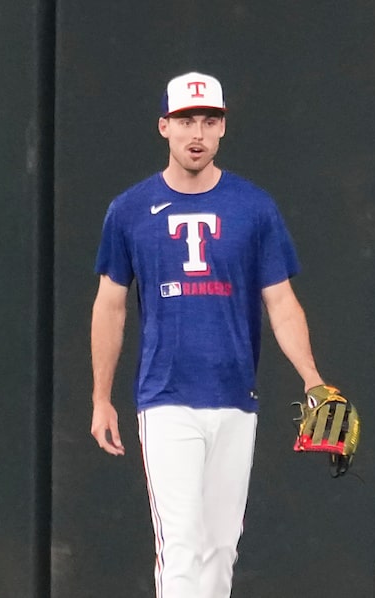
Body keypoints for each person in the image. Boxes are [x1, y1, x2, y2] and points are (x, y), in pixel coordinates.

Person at [89, 71, 328, 598]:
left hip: (235, 396)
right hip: (167, 396)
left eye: (208, 120)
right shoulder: (129, 209)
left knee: (221, 549)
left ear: (222, 128)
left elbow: (281, 301)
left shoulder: (254, 207)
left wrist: (312, 377)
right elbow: (110, 305)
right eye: (185, 121)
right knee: (181, 547)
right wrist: (101, 398)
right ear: (164, 127)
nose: (196, 133)